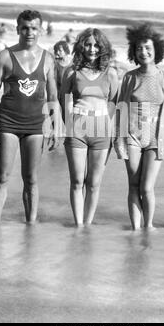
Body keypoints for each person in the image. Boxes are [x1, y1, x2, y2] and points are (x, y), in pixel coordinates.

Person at [0, 10, 60, 223]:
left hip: (36, 125)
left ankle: (31, 225)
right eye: (25, 28)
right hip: (7, 123)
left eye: (34, 28)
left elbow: (53, 96)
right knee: (2, 177)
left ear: (41, 30)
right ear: (18, 29)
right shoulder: (4, 57)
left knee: (31, 179)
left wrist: (54, 126)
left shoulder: (48, 59)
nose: (29, 32)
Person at [114, 23, 164, 230]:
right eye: (139, 48)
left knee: (147, 187)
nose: (143, 52)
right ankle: (135, 228)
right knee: (133, 185)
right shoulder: (130, 77)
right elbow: (121, 109)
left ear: (156, 50)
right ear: (134, 52)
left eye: (148, 48)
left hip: (156, 138)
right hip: (132, 136)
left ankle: (149, 226)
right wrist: (119, 140)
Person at [60, 28, 119, 227]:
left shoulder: (110, 73)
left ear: (102, 48)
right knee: (77, 181)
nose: (92, 49)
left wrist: (110, 131)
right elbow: (63, 100)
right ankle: (78, 226)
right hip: (77, 128)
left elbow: (114, 103)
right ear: (81, 46)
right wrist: (67, 126)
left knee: (93, 184)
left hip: (101, 131)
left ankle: (88, 224)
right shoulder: (71, 71)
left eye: (96, 45)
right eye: (88, 44)